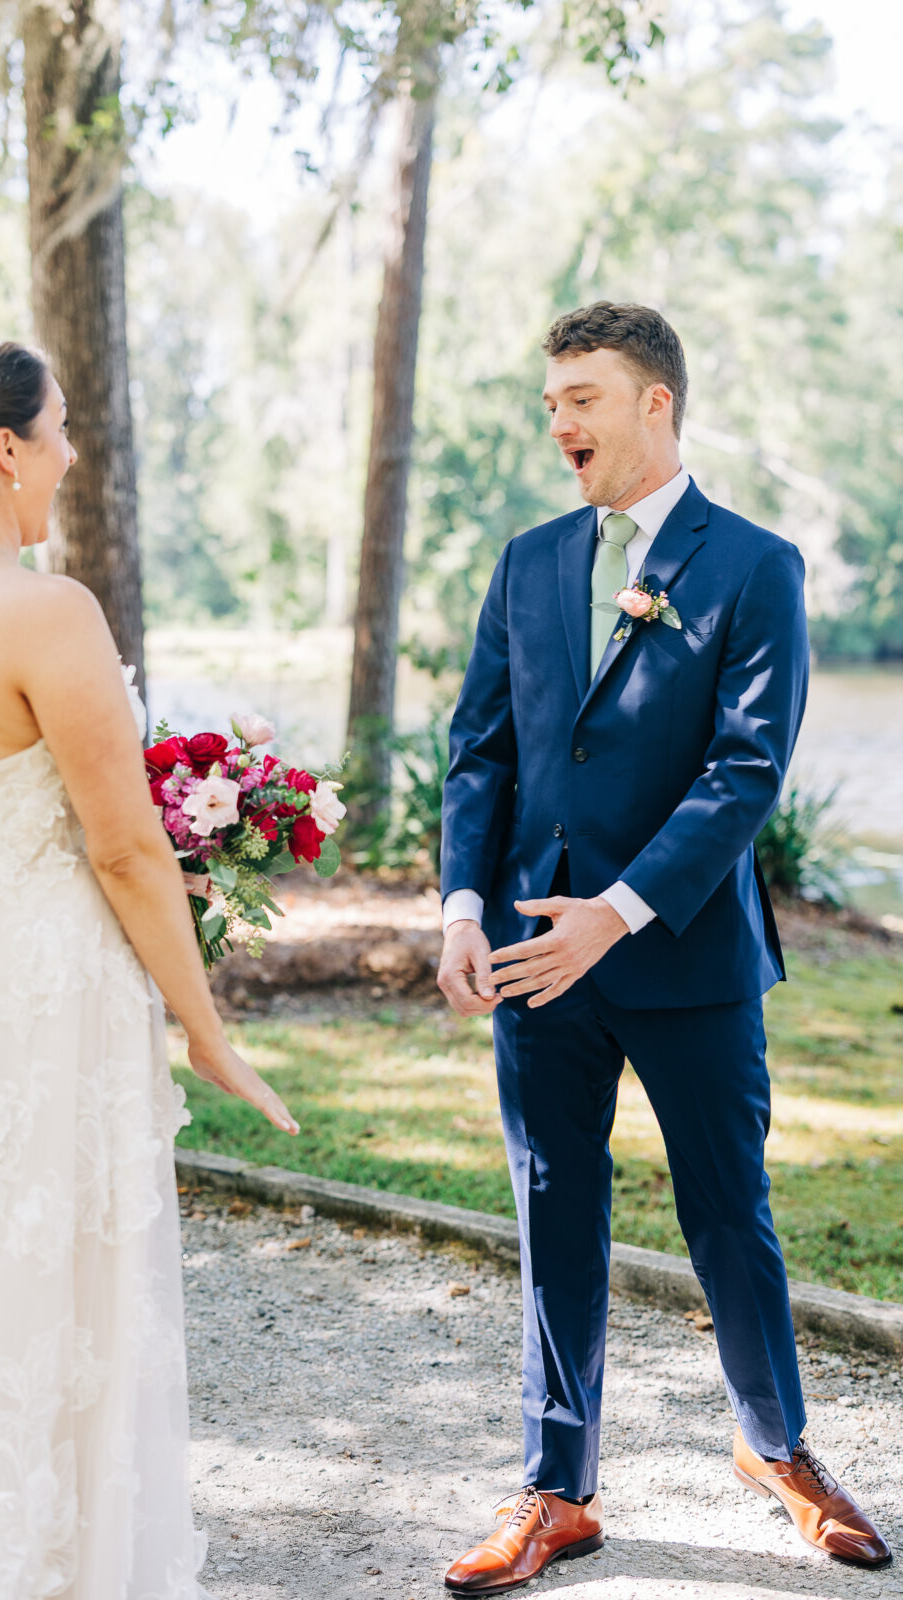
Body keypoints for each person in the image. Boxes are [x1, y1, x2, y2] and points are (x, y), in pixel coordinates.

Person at [436, 302, 891, 1592]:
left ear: (655, 405)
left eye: (580, 396)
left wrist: (618, 911)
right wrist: (463, 907)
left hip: (679, 957)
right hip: (531, 953)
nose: (558, 422)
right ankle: (555, 1488)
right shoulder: (526, 562)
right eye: (548, 402)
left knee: (724, 1215)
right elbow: (483, 751)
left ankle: (778, 1447)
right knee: (549, 1210)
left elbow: (745, 770)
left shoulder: (753, 566)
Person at [0, 340, 297, 1598]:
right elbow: (126, 850)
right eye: (59, 428)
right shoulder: (46, 611)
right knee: (53, 1297)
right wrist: (206, 1027)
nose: (72, 453)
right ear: (3, 450)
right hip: (43, 1010)